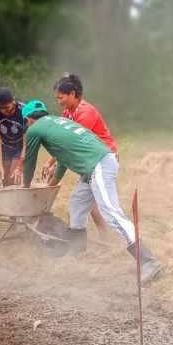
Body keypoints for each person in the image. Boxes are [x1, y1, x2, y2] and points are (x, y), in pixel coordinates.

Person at [21, 100, 163, 284]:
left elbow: (29, 161)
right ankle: (77, 251)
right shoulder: (59, 122)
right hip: (100, 162)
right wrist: (52, 184)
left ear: (28, 120)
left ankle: (148, 261)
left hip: (99, 165)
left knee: (111, 212)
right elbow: (64, 158)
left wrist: (25, 186)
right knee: (77, 202)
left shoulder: (34, 129)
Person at [44, 74, 117, 235]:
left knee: (100, 203)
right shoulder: (67, 113)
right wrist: (49, 162)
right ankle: (101, 237)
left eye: (61, 97)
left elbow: (69, 146)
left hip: (103, 159)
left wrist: (54, 171)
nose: (58, 101)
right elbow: (62, 143)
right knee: (83, 201)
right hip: (90, 161)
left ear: (72, 94)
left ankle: (118, 238)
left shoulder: (86, 113)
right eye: (56, 98)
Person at [0, 87, 25, 186]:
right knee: (4, 179)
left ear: (13, 101)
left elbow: (27, 141)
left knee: (13, 178)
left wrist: (20, 166)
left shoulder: (23, 110)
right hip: (4, 148)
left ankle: (17, 201)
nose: (3, 111)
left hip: (20, 147)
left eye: (6, 107)